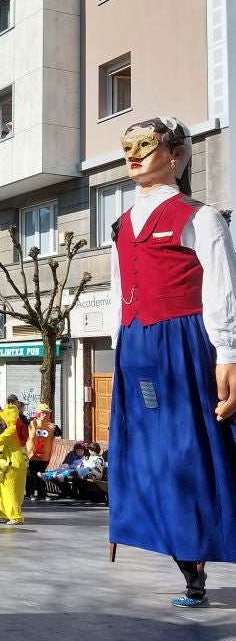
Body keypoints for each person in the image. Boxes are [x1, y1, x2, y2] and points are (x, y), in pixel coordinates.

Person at [108, 116, 236, 607]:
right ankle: (170, 545)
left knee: (191, 449)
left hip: (184, 341)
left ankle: (196, 562)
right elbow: (120, 288)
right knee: (144, 452)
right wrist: (120, 345)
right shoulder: (121, 224)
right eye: (127, 147)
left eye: (145, 145)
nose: (133, 155)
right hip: (137, 344)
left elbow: (222, 287)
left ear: (177, 154)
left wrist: (227, 352)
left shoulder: (200, 216)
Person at [25, 403, 61, 500]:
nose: (44, 415)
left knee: (42, 474)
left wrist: (55, 428)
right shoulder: (32, 422)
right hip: (33, 453)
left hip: (44, 455)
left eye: (46, 413)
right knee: (31, 474)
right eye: (42, 413)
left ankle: (42, 493)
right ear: (38, 413)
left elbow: (59, 433)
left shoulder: (50, 424)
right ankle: (29, 493)